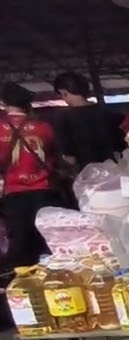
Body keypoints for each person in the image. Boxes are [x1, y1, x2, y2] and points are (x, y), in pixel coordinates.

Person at [1, 82, 60, 272]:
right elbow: (55, 154)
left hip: (13, 194)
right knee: (48, 241)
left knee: (21, 245)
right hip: (44, 192)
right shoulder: (44, 127)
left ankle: (23, 287)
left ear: (4, 102)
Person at [51, 72, 124, 172]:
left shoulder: (63, 117)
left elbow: (69, 157)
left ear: (64, 92)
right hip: (112, 172)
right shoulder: (108, 113)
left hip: (84, 174)